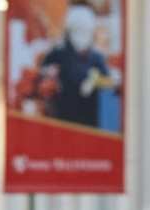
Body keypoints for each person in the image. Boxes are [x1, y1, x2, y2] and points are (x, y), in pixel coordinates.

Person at [39, 1, 118, 130]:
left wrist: (95, 81)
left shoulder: (96, 58)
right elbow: (43, 70)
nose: (82, 35)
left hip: (89, 121)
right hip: (63, 118)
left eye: (85, 31)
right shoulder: (60, 53)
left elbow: (110, 81)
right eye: (78, 30)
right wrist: (50, 77)